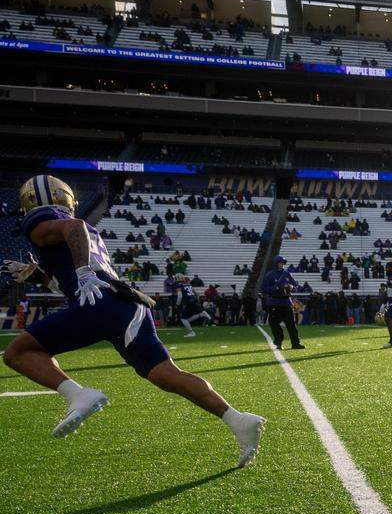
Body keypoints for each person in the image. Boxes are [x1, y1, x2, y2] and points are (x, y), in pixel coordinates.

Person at [0, 175, 264, 466]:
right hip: (125, 304)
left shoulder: (43, 222)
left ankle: (78, 394)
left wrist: (83, 272)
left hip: (99, 302)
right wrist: (40, 274)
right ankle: (238, 419)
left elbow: (74, 235)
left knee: (18, 353)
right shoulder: (87, 232)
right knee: (165, 374)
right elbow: (70, 276)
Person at [260, 256, 304, 350]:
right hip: (274, 303)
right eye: (280, 262)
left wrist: (291, 287)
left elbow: (295, 285)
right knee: (274, 324)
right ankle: (278, 343)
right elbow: (263, 288)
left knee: (291, 324)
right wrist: (276, 289)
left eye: (283, 263)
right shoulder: (269, 275)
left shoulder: (287, 274)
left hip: (286, 302)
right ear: (276, 263)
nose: (282, 264)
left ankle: (295, 343)